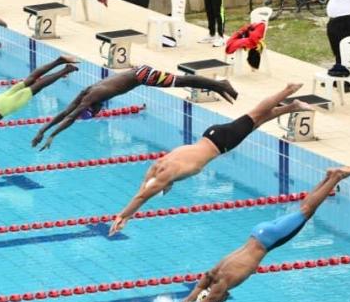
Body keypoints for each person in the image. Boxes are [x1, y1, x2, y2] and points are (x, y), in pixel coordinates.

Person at [109, 83, 312, 236]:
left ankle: (288, 91)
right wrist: (128, 210)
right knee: (256, 121)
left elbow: (143, 197)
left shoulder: (167, 175)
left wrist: (123, 216)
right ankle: (292, 105)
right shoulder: (158, 166)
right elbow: (142, 190)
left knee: (255, 116)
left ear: (163, 184)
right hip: (211, 134)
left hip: (222, 143)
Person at [165, 166, 350, 302]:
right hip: (259, 231)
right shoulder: (212, 273)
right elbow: (196, 290)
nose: (221, 301)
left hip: (269, 239)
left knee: (306, 211)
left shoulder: (221, 284)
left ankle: (335, 177)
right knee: (302, 210)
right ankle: (328, 178)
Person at [31, 65, 238, 150]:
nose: (97, 113)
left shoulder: (93, 95)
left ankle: (220, 85)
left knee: (181, 81)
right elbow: (65, 113)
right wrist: (42, 130)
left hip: (143, 75)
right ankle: (219, 86)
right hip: (139, 74)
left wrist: (51, 136)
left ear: (92, 108)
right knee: (181, 81)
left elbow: (69, 118)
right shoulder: (87, 92)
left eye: (93, 113)